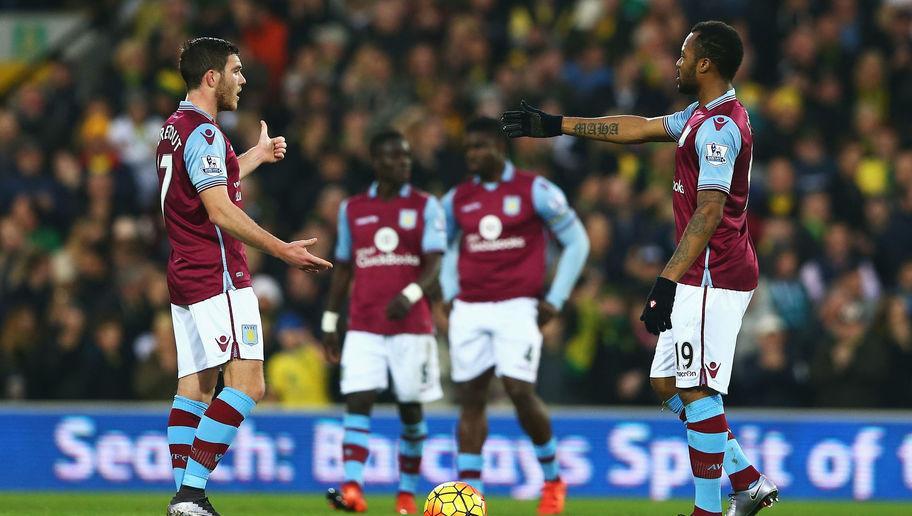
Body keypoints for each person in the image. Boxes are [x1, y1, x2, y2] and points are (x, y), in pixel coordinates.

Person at [502, 20, 778, 516]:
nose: (677, 61)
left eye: (684, 53)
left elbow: (710, 211)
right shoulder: (701, 115)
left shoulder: (720, 128)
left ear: (706, 63)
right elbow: (640, 128)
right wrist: (557, 124)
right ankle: (748, 480)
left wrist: (667, 279)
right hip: (700, 271)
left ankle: (708, 510)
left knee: (697, 388)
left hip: (714, 273)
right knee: (667, 383)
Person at [157, 37, 331, 516]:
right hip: (219, 274)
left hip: (184, 272)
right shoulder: (207, 134)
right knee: (250, 384)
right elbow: (218, 210)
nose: (243, 79)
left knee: (194, 388)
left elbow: (203, 187)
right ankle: (191, 494)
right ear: (212, 77)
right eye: (236, 71)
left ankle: (184, 502)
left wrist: (252, 157)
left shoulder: (176, 128)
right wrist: (282, 250)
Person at [440, 117, 589, 515]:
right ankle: (469, 498)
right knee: (470, 398)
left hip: (517, 306)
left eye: (479, 147)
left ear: (499, 148)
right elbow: (443, 248)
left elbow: (577, 242)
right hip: (469, 307)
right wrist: (451, 291)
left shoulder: (534, 189)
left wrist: (555, 299)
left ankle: (554, 479)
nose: (472, 155)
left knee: (519, 391)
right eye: (467, 148)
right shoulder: (456, 198)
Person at [321, 130, 446, 515]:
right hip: (363, 324)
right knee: (358, 400)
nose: (403, 164)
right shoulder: (353, 209)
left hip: (412, 328)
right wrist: (330, 319)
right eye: (394, 158)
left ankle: (406, 494)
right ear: (377, 162)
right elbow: (343, 267)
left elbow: (435, 264)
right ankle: (353, 487)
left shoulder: (426, 206)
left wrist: (409, 295)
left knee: (410, 408)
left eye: (407, 158)